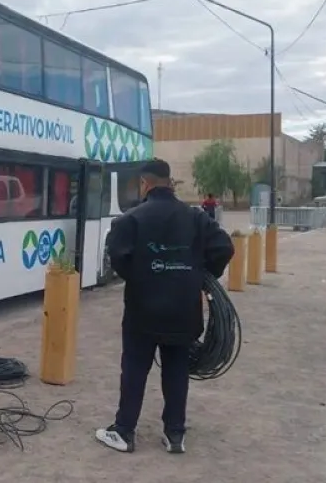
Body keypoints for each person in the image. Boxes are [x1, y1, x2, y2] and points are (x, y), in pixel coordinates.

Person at [96, 159, 234, 454]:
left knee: (134, 367)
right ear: (169, 182)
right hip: (183, 309)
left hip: (142, 309)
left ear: (144, 184)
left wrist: (141, 277)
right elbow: (224, 247)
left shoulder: (130, 220)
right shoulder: (196, 218)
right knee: (176, 368)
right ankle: (175, 435)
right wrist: (201, 275)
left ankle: (123, 432)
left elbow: (117, 256)